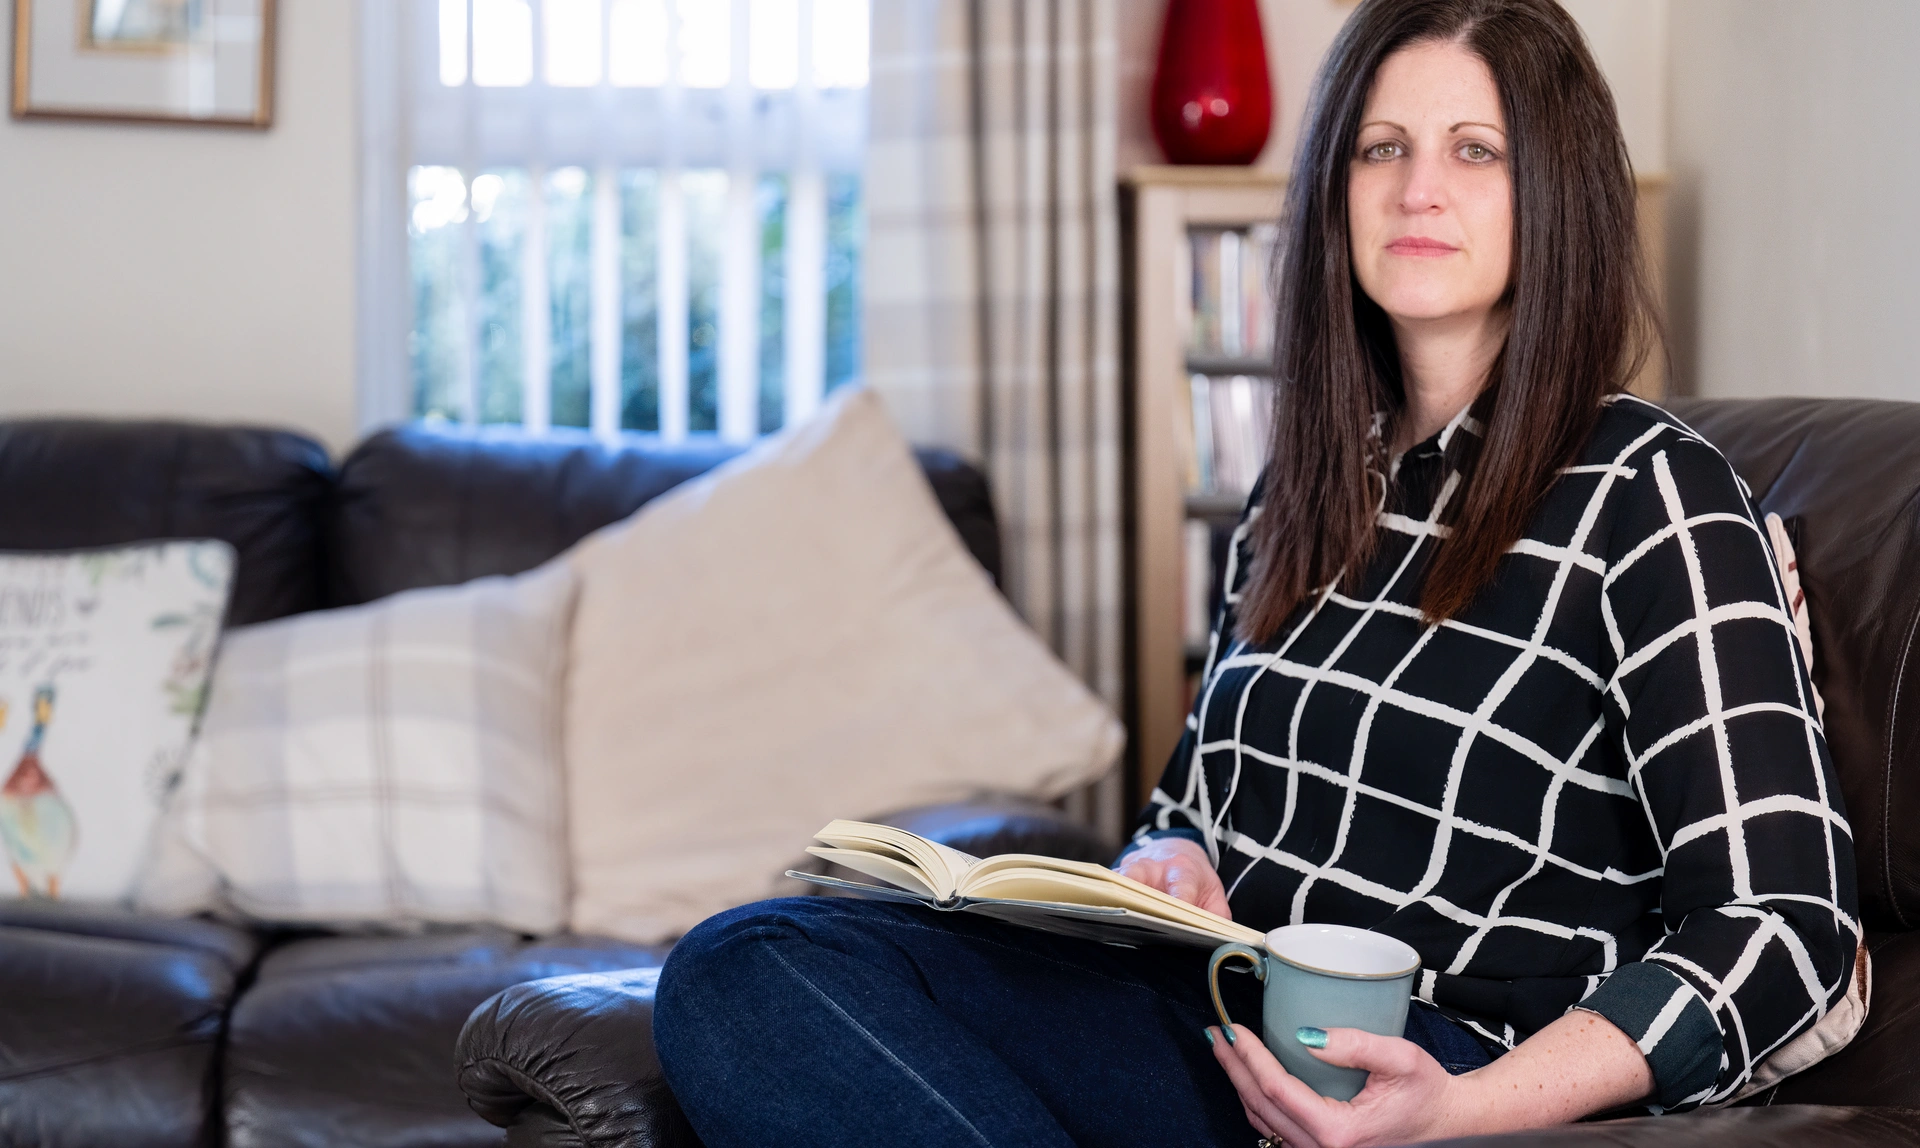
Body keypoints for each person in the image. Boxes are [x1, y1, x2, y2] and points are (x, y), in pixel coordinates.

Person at [651, 0, 1859, 1144]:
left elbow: (1784, 927)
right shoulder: (1309, 487)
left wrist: (1466, 1104)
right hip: (1217, 1015)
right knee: (756, 965)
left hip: (1433, 1066)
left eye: (1475, 150)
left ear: (1560, 192)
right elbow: (1186, 810)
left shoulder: (1650, 492)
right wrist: (1160, 865)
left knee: (742, 978)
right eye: (1380, 147)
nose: (1417, 187)